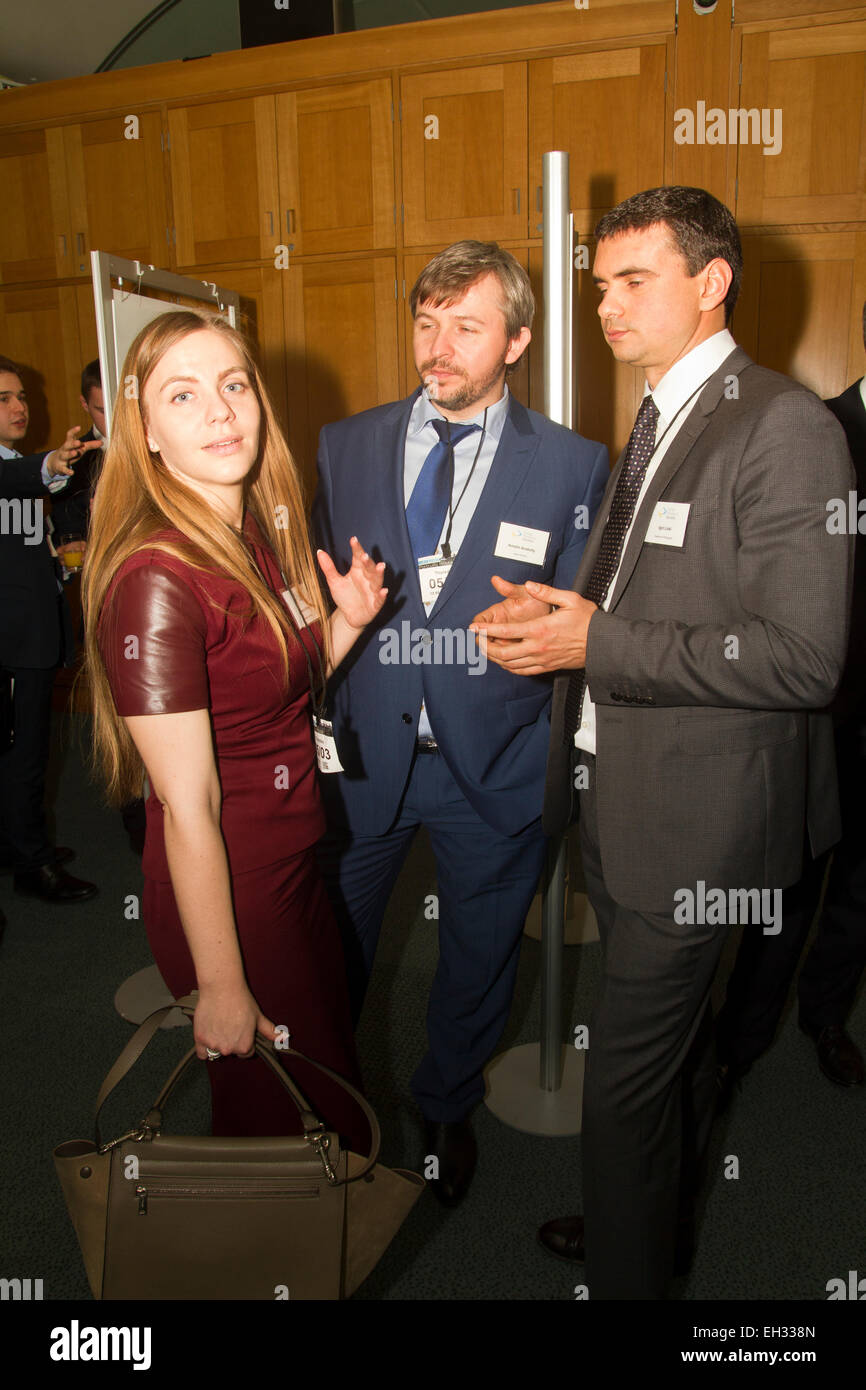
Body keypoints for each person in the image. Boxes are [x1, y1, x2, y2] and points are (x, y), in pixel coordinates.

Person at [472, 187, 855, 1297]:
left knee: (622, 1083)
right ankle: (635, 1204)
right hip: (623, 792)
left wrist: (599, 639)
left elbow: (801, 658)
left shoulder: (781, 423)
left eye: (631, 280)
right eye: (597, 285)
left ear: (710, 280)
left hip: (699, 830)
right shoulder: (657, 415)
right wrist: (561, 619)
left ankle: (631, 1258)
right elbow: (648, 595)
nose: (604, 304)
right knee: (662, 1068)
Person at [312, 240, 608, 1204]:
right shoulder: (342, 445)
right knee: (332, 946)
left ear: (517, 339)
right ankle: (325, 1101)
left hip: (498, 761)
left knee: (478, 957)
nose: (438, 347)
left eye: (466, 327)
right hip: (366, 757)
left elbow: (583, 607)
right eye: (426, 322)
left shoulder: (574, 464)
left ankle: (444, 1105)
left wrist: (549, 623)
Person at [84, 309, 387, 1146]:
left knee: (320, 1085)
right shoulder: (157, 577)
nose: (221, 411)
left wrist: (349, 621)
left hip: (290, 864)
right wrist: (220, 984)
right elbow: (185, 808)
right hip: (233, 889)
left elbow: (277, 685)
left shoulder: (246, 531)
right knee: (288, 1127)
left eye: (234, 385)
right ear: (144, 432)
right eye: (183, 396)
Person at [716, 301, 866, 1101]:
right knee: (785, 893)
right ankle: (735, 1043)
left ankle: (828, 1017)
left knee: (860, 890)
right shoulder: (814, 427)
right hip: (820, 713)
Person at [0, 353, 100, 908]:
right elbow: (17, 477)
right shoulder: (14, 467)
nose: (20, 407)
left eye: (22, 397)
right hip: (14, 640)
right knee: (24, 755)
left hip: (29, 630)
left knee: (20, 750)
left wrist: (61, 562)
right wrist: (51, 465)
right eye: (5, 399)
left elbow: (15, 549)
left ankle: (19, 843)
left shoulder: (11, 463)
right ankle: (31, 863)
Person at [50, 358, 106, 539]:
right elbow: (66, 531)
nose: (115, 419)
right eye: (103, 411)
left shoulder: (161, 448)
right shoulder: (71, 460)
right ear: (84, 404)